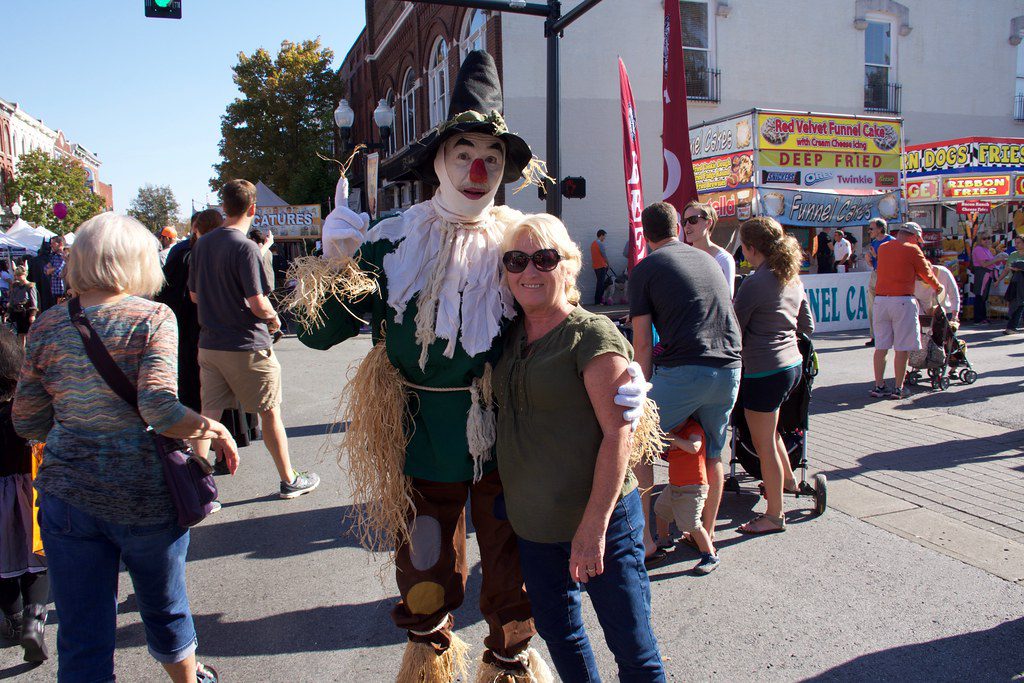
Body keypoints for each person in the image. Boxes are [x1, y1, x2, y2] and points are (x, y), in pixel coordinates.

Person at [289, 52, 645, 682]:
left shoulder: (519, 238)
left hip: (510, 447)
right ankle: (429, 660)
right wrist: (335, 264)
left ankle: (508, 665)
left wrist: (621, 375)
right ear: (437, 162)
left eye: (493, 157)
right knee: (425, 569)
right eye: (463, 153)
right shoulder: (393, 239)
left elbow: (565, 319)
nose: (479, 169)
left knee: (514, 576)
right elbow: (317, 335)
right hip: (422, 442)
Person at [13, 213, 233, 683]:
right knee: (165, 607)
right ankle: (189, 679)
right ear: (138, 261)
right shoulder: (153, 318)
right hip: (146, 495)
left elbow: (26, 419)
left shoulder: (48, 325)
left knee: (83, 631)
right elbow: (159, 408)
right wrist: (213, 428)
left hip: (67, 496)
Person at [494, 213, 665, 682]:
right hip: (535, 530)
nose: (529, 271)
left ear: (568, 267)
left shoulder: (591, 334)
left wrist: (592, 528)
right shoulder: (506, 337)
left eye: (544, 259)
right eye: (517, 260)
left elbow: (619, 434)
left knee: (634, 651)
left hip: (600, 523)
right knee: (561, 636)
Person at [188, 180, 318, 498]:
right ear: (253, 209)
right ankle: (289, 479)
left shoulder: (202, 244)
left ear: (224, 206)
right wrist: (274, 318)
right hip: (245, 344)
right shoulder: (244, 246)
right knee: (270, 411)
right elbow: (258, 303)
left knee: (209, 414)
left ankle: (192, 484)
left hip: (210, 344)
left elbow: (193, 295)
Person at [629, 201, 742, 564]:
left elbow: (642, 343)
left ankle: (645, 539)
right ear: (678, 227)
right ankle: (702, 534)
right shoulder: (709, 259)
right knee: (713, 453)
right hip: (730, 367)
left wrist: (638, 397)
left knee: (639, 443)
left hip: (684, 370)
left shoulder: (645, 268)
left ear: (645, 234)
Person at [732, 217, 814, 534]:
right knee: (771, 432)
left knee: (763, 443)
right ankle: (790, 481)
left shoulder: (754, 283)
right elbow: (808, 326)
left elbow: (733, 329)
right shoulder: (792, 278)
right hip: (791, 367)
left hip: (763, 371)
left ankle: (774, 515)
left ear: (751, 248)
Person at [0, 330, 48, 663]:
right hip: (29, 491)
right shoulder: (25, 404)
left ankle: (14, 617)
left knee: (2, 566)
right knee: (37, 562)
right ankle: (34, 616)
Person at [870, 222, 944, 400]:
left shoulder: (884, 248)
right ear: (913, 236)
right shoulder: (912, 249)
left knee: (881, 346)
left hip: (881, 301)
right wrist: (938, 286)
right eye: (917, 240)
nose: (918, 243)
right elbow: (926, 272)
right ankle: (898, 388)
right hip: (902, 301)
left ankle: (879, 385)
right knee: (902, 348)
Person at [652, 418, 718, 573]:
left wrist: (673, 437)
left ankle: (710, 555)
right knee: (660, 509)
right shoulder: (675, 431)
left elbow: (695, 447)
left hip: (693, 487)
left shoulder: (693, 429)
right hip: (674, 485)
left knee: (691, 523)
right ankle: (664, 538)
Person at [681, 200, 736, 296]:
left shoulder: (723, 259)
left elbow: (727, 296)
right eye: (684, 222)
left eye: (693, 220)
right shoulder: (682, 257)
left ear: (708, 222)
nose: (687, 226)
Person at [864, 218, 895, 347]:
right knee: (872, 306)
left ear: (880, 229)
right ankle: (874, 336)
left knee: (885, 307)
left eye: (871, 229)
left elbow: (892, 263)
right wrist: (870, 260)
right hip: (875, 274)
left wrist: (876, 257)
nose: (869, 231)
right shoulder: (874, 243)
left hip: (887, 276)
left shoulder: (891, 242)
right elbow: (873, 263)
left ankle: (888, 335)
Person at [970, 233, 1007, 324]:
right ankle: (978, 318)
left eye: (988, 238)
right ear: (979, 240)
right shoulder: (978, 249)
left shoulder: (986, 249)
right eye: (984, 238)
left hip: (987, 274)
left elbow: (991, 263)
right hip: (982, 274)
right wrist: (997, 259)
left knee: (983, 297)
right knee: (980, 296)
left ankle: (982, 317)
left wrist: (998, 258)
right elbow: (984, 264)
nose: (987, 240)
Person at [8, 266, 38, 349]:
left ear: (25, 275)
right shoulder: (15, 286)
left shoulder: (30, 286)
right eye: (16, 275)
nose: (17, 277)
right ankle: (21, 351)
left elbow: (34, 302)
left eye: (19, 275)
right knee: (20, 333)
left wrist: (33, 314)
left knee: (29, 333)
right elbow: (12, 300)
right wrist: (9, 311)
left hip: (27, 313)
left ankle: (31, 350)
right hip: (18, 312)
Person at [1003, 234, 1024, 334]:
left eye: (1019, 243)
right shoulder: (1013, 255)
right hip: (1016, 282)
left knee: (1019, 303)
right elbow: (1007, 268)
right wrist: (998, 280)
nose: (1016, 245)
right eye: (1015, 243)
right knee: (1018, 303)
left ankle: (1011, 327)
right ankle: (1011, 327)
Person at [43, 235, 67, 308]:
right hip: (54, 291)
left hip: (63, 291)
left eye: (53, 243)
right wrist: (52, 269)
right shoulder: (53, 257)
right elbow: (45, 270)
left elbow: (59, 273)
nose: (51, 245)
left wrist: (51, 269)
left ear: (60, 244)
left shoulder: (65, 256)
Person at [590, 229, 609, 306]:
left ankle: (598, 300)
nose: (604, 238)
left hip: (596, 266)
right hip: (601, 266)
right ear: (601, 235)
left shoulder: (593, 244)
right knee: (600, 284)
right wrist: (608, 262)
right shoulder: (600, 243)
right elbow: (603, 254)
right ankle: (598, 301)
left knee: (599, 283)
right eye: (604, 236)